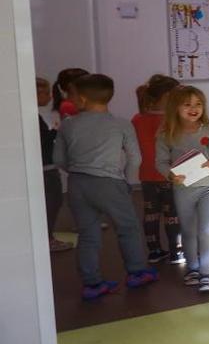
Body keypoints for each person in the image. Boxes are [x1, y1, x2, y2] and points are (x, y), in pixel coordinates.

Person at [54, 74, 158, 300]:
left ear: (82, 99)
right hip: (110, 183)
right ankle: (137, 273)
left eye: (72, 96)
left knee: (87, 235)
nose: (70, 100)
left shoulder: (68, 124)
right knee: (127, 228)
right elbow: (135, 158)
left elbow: (58, 159)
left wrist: (77, 171)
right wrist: (127, 181)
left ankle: (92, 284)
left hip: (77, 184)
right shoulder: (121, 124)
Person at [156, 86, 209, 294]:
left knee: (206, 230)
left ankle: (206, 274)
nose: (193, 108)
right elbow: (160, 162)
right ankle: (193, 269)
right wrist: (170, 175)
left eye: (198, 104)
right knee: (188, 230)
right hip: (184, 189)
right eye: (187, 104)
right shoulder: (166, 135)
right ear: (175, 107)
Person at [133, 74, 183, 265]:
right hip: (170, 175)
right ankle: (176, 252)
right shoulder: (173, 120)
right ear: (168, 97)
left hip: (147, 176)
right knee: (173, 215)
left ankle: (154, 252)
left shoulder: (137, 119)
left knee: (151, 214)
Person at [36, 77, 70, 253]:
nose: (50, 96)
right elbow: (41, 141)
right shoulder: (34, 118)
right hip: (46, 168)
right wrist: (55, 132)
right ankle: (47, 239)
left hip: (45, 167)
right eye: (45, 93)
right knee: (52, 202)